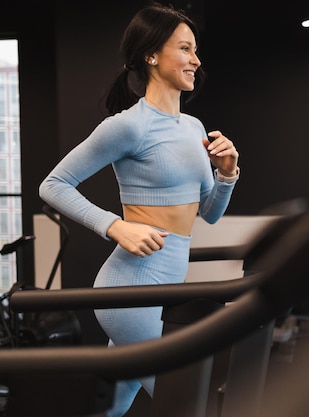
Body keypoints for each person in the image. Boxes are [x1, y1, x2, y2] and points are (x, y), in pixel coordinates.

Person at [39, 2, 240, 416]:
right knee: (185, 400)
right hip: (128, 290)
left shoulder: (194, 128)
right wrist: (115, 226)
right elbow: (53, 185)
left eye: (195, 50)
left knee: (112, 404)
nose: (195, 60)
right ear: (151, 55)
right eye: (185, 49)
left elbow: (210, 213)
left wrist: (227, 174)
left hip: (165, 285)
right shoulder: (129, 125)